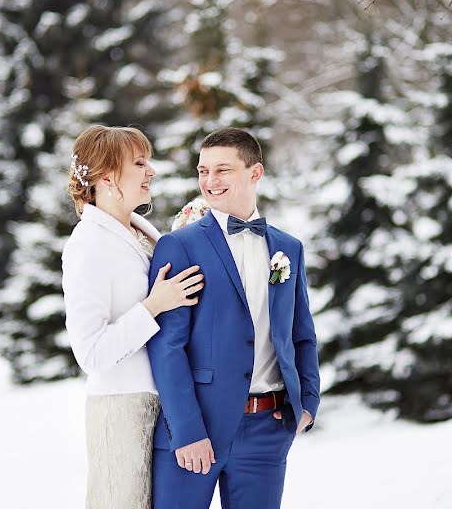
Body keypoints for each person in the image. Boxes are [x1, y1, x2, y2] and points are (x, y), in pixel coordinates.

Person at [147, 127, 321, 509]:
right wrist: (188, 430)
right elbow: (167, 346)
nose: (210, 181)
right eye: (203, 170)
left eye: (222, 170)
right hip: (196, 429)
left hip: (269, 429)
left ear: (254, 173)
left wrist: (307, 401)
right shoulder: (179, 244)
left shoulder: (287, 248)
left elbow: (301, 333)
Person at [62, 125, 205, 509]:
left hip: (162, 401)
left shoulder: (141, 231)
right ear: (106, 177)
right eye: (139, 163)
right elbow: (90, 354)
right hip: (121, 407)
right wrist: (153, 305)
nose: (151, 171)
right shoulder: (87, 245)